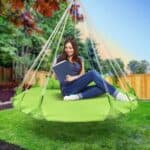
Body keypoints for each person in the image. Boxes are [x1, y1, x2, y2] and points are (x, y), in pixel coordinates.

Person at [52, 37, 133, 101]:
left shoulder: (80, 59)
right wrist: (58, 72)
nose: (68, 50)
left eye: (70, 48)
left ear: (74, 48)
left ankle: (76, 97)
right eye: (66, 48)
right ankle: (117, 95)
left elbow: (82, 75)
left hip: (78, 86)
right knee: (93, 73)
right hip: (67, 89)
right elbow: (55, 77)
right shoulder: (59, 58)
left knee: (103, 87)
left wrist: (73, 78)